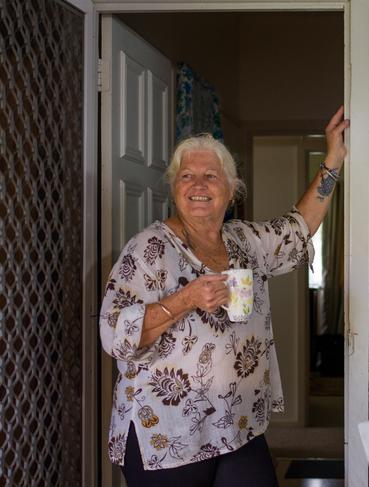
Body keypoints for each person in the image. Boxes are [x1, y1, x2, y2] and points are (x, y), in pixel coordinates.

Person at [99, 106, 349, 487]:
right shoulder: (147, 248)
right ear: (174, 188)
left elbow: (299, 228)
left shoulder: (244, 240)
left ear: (231, 190)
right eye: (187, 176)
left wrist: (333, 158)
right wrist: (186, 299)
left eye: (210, 176)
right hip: (169, 433)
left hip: (236, 424)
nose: (198, 185)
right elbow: (114, 332)